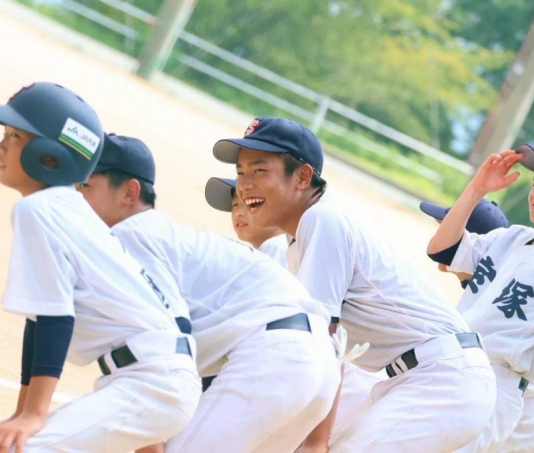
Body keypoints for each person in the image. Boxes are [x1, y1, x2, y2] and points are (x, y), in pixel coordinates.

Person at [215, 116, 496, 452]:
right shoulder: (300, 238)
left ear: (302, 176)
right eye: (240, 173)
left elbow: (323, 342)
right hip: (427, 379)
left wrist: (314, 442)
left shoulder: (322, 219)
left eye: (260, 170)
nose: (244, 185)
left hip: (442, 380)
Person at [0, 82, 200, 453]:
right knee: (16, 442)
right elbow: (39, 322)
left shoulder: (40, 209)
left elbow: (56, 319)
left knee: (21, 449)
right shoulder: (68, 210)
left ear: (51, 157)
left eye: (15, 136)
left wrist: (34, 415)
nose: (0, 146)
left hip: (151, 383)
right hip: (157, 381)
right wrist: (23, 412)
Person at [77, 133, 343, 453]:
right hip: (317, 367)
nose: (75, 197)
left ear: (128, 192)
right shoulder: (177, 242)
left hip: (278, 358)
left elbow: (158, 356)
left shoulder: (128, 237)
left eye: (84, 186)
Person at [205, 176, 386, 437]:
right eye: (235, 206)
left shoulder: (277, 249)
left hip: (335, 388)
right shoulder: (278, 250)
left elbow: (318, 334)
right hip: (332, 386)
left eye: (250, 203)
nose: (239, 212)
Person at [427, 146, 534, 453]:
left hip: (497, 384)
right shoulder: (511, 237)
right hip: (454, 364)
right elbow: (442, 251)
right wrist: (476, 190)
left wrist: (519, 366)